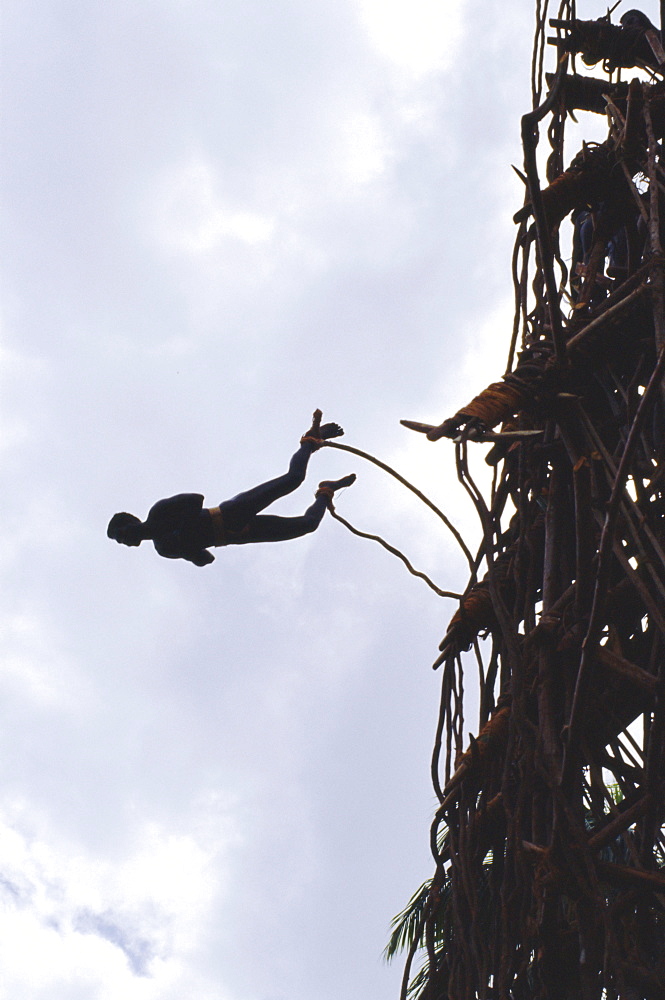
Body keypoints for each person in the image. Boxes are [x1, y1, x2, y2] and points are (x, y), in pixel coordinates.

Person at [107, 411, 356, 566]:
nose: (125, 539)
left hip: (232, 512)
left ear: (132, 521)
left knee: (293, 479)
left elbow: (196, 499)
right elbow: (206, 559)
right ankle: (326, 490)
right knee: (307, 525)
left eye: (123, 533)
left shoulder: (160, 512)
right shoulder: (164, 548)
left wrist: (181, 528)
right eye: (121, 541)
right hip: (237, 536)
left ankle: (309, 443)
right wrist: (190, 551)